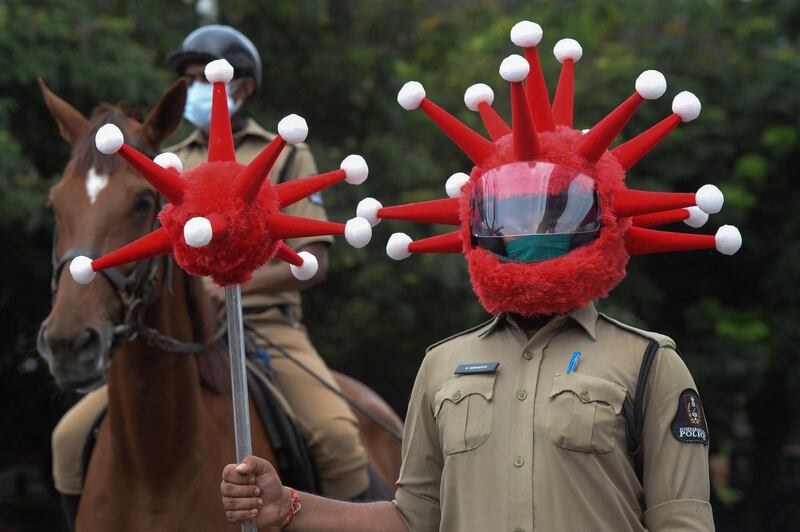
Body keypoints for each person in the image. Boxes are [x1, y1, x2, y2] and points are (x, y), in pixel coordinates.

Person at [221, 19, 744, 531]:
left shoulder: (650, 364)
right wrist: (287, 506)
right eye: (510, 215)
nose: (529, 232)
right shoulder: (443, 363)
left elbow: (683, 521)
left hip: (279, 317)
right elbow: (412, 519)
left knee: (332, 430)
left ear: (604, 219)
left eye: (553, 213)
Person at [52, 25, 369, 503]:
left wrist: (230, 287)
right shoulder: (165, 162)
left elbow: (314, 260)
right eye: (189, 78)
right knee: (67, 440)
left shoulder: (286, 153)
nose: (199, 88)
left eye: (207, 77)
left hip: (266, 325)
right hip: (178, 329)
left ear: (242, 87)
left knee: (338, 438)